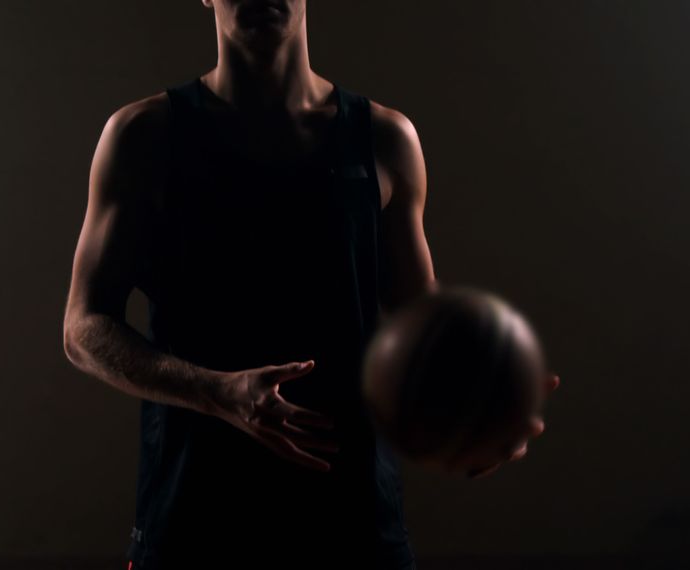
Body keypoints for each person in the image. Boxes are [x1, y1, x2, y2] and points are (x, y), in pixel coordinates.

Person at [62, 1, 558, 568]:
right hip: (195, 520)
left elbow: (424, 324)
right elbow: (83, 328)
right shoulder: (143, 136)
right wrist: (215, 392)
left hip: (353, 524)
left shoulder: (383, 139)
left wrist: (483, 400)